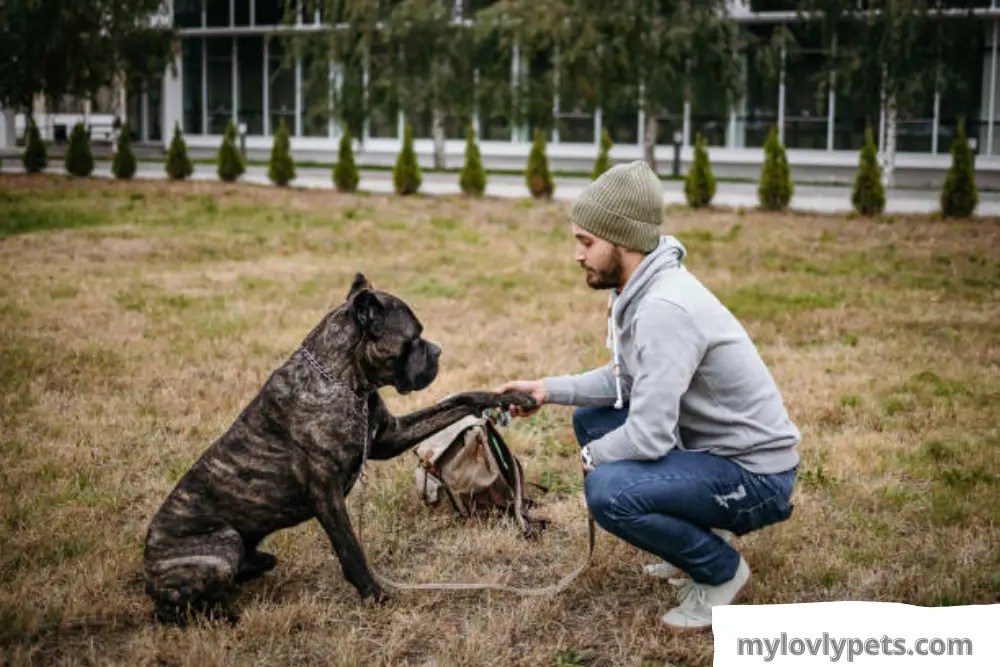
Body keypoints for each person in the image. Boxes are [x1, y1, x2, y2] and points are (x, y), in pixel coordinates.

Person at [499, 160, 800, 632]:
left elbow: (649, 437)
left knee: (608, 490)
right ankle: (690, 538)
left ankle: (720, 572)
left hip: (758, 479)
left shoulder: (664, 307)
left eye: (586, 242)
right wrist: (546, 389)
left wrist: (594, 458)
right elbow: (627, 382)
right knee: (591, 420)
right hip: (713, 455)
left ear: (622, 242)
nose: (578, 255)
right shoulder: (641, 289)